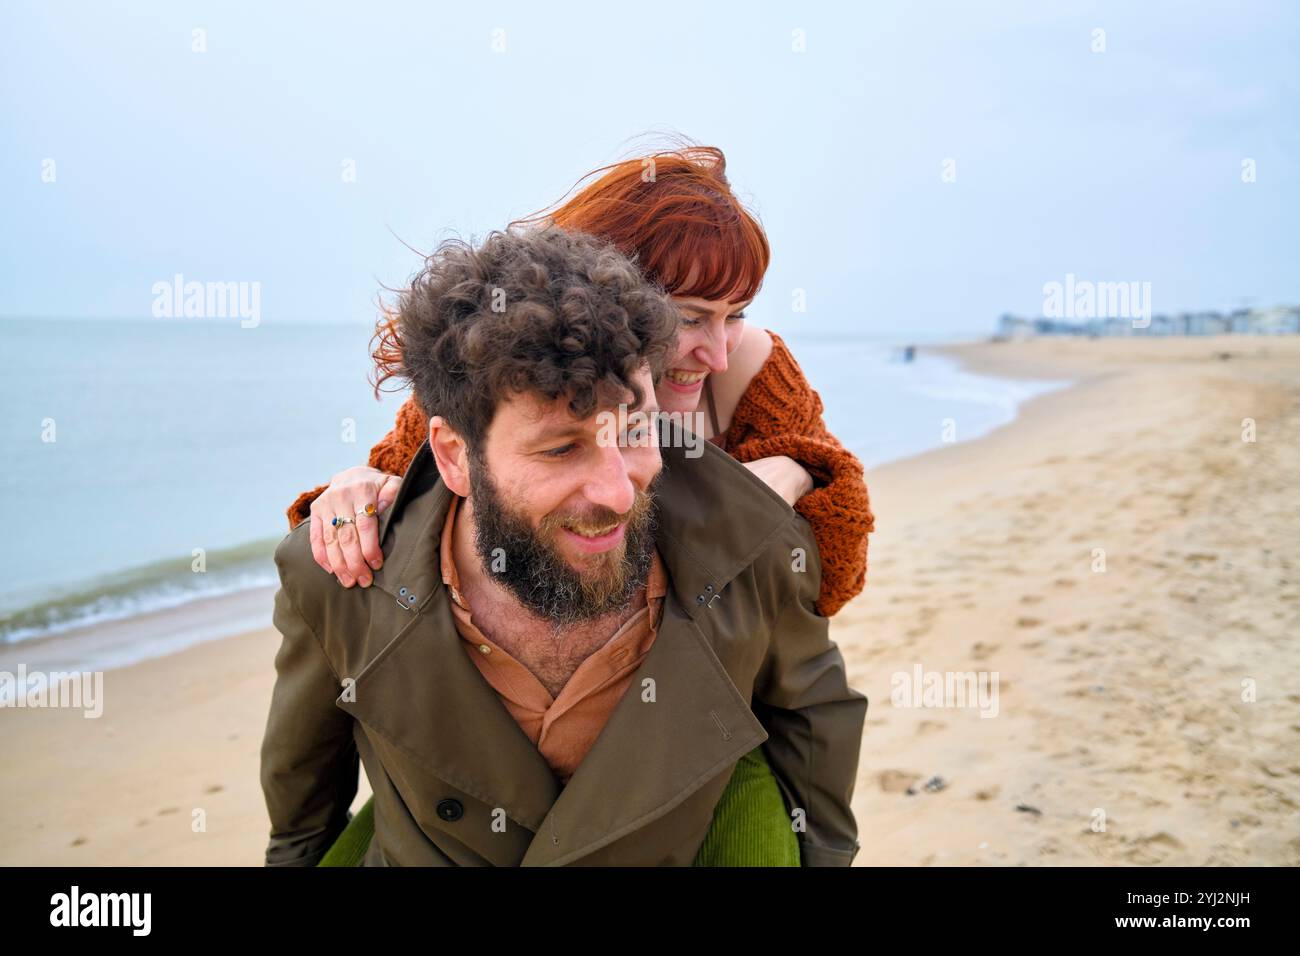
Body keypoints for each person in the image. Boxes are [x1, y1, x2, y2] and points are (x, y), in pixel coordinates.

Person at [285, 142, 874, 864]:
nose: (716, 349)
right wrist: (349, 493)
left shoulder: (748, 365)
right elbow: (405, 491)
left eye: (736, 313)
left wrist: (797, 475)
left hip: (692, 719)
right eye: (690, 316)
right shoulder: (511, 362)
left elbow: (829, 586)